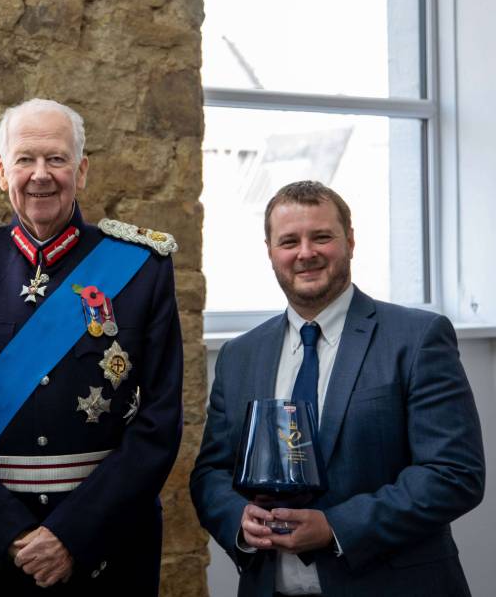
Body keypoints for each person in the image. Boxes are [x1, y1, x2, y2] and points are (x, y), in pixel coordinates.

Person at [0, 98, 184, 595]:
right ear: (1, 172)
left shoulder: (142, 268)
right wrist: (8, 533)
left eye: (56, 159)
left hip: (106, 551)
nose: (40, 175)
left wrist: (72, 536)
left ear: (82, 170)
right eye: (25, 159)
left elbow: (159, 422)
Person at [190, 180, 485, 597]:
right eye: (289, 241)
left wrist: (335, 528)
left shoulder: (417, 338)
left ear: (349, 240)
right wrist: (238, 517)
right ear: (271, 252)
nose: (305, 253)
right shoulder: (240, 355)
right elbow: (211, 473)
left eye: (321, 237)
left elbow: (454, 474)